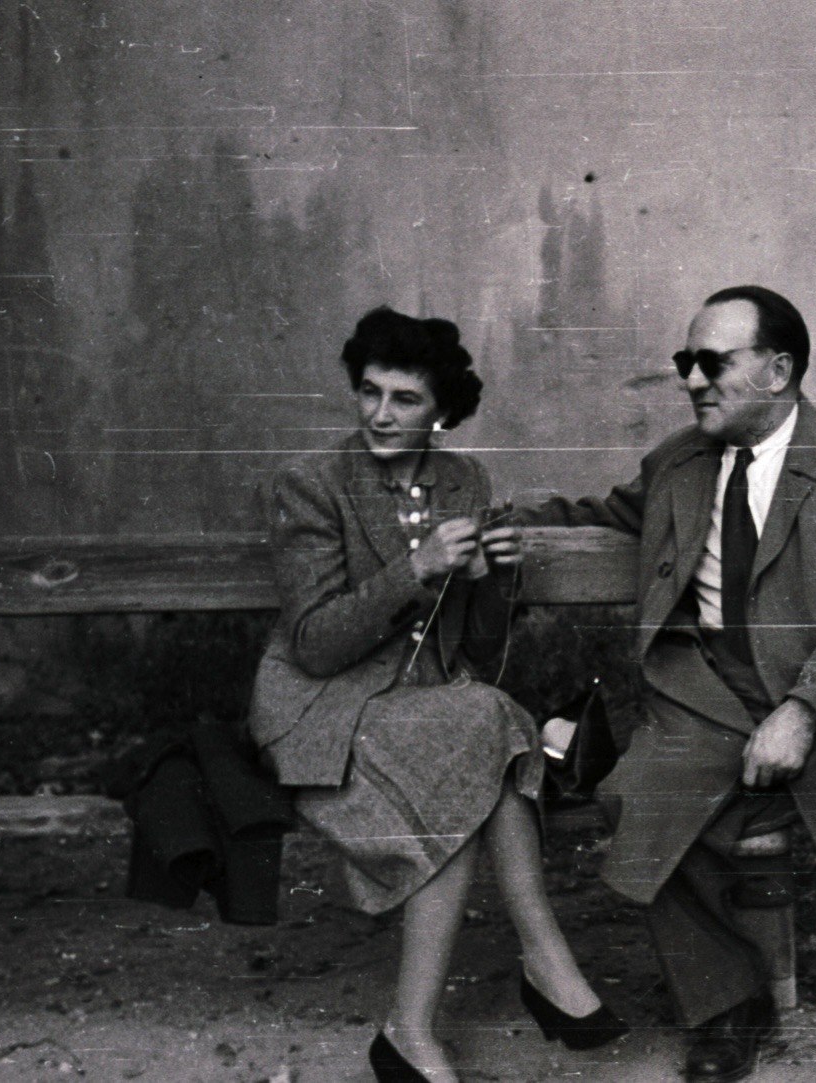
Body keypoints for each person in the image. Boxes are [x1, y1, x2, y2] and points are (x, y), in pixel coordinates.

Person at [524, 286, 816, 1082]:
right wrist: (494, 528)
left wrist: (806, 705)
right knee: (643, 791)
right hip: (715, 697)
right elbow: (598, 514)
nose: (691, 379)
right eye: (684, 363)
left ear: (776, 370)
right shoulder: (677, 464)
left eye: (712, 362)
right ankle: (728, 1002)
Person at [247, 306, 626, 1083]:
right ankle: (544, 956)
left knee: (472, 738)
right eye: (369, 392)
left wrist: (498, 577)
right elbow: (315, 644)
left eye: (405, 399)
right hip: (328, 715)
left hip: (431, 714)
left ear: (442, 411)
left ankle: (410, 1032)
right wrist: (412, 568)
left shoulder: (464, 480)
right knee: (482, 735)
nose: (381, 414)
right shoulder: (312, 484)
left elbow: (477, 651)